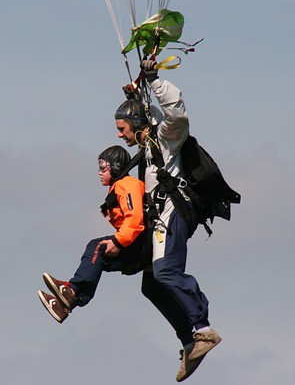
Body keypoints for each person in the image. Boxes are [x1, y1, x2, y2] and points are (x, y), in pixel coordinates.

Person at [114, 60, 221, 382]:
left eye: (122, 128)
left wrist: (155, 80)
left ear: (135, 124)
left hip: (172, 210)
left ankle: (204, 330)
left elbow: (176, 113)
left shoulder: (167, 137)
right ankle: (189, 342)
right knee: (152, 286)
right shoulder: (148, 146)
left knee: (165, 272)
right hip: (159, 215)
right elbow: (152, 113)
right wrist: (139, 93)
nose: (119, 134)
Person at [38, 145, 146, 323]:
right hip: (135, 245)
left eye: (103, 168)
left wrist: (118, 242)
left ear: (116, 167)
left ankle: (71, 290)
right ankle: (66, 305)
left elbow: (135, 218)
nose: (99, 173)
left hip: (138, 243)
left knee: (96, 246)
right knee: (96, 259)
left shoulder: (127, 184)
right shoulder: (118, 187)